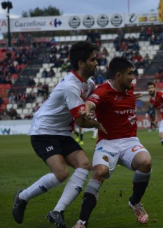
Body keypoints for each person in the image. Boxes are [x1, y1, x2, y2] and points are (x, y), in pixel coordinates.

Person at [12, 41, 107, 228]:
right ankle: (22, 197)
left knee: (84, 165)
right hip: (43, 131)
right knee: (61, 173)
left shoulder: (88, 84)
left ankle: (57, 211)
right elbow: (80, 121)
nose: (96, 63)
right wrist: (99, 124)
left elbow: (97, 101)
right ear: (81, 63)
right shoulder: (71, 86)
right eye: (92, 59)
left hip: (62, 132)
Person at [72, 57, 152, 228]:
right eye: (130, 74)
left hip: (130, 141)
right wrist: (86, 111)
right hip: (107, 142)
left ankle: (134, 202)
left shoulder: (128, 89)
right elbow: (89, 103)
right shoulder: (102, 91)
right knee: (99, 172)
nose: (133, 78)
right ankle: (82, 222)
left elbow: (124, 98)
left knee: (146, 162)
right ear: (118, 75)